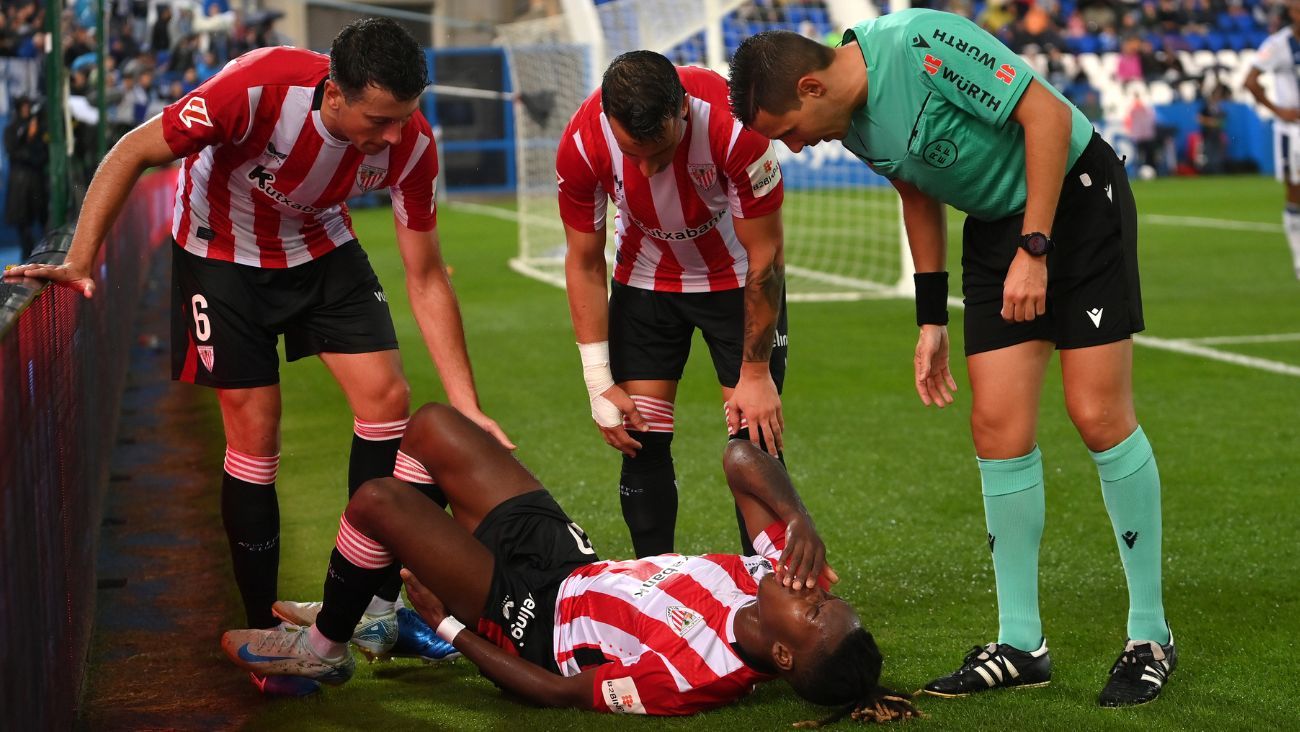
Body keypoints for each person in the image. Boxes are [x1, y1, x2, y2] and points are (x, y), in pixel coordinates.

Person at [5, 17, 511, 692]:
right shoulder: (254, 88)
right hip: (220, 255)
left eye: (404, 118)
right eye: (380, 120)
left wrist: (466, 403)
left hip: (320, 247)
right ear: (334, 94)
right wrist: (78, 258)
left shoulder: (412, 142)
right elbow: (132, 149)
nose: (395, 136)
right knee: (255, 431)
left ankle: (374, 611)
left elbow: (425, 275)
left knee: (389, 401)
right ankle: (265, 636)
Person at [728, 9, 1174, 708]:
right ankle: (1021, 644)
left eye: (788, 131)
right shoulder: (851, 123)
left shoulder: (921, 43)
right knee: (996, 429)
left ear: (812, 88)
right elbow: (916, 191)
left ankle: (1150, 635)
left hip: (1076, 202)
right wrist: (931, 319)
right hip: (995, 228)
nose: (797, 147)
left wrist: (1035, 248)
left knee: (1096, 415)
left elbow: (1048, 117)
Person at [221, 403, 921, 724]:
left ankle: (324, 650)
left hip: (532, 622)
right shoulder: (773, 576)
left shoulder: (693, 677)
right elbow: (740, 456)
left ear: (785, 655)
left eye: (817, 611)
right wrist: (799, 519)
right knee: (432, 425)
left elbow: (555, 695)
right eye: (828, 598)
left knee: (378, 501)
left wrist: (452, 627)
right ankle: (374, 615)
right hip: (569, 559)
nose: (814, 591)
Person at [558, 50, 789, 559]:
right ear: (608, 120)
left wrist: (755, 371)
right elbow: (584, 262)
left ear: (683, 107)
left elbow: (766, 256)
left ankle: (770, 581)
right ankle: (655, 580)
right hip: (645, 284)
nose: (646, 169)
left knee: (755, 441)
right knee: (641, 440)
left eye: (659, 150)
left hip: (737, 282)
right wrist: (597, 379)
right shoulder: (582, 142)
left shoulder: (737, 127)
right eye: (632, 154)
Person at [1244, 0, 1300, 280]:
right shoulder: (1279, 44)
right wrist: (1278, 110)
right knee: (1295, 190)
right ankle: (1299, 256)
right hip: (1293, 131)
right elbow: (1250, 81)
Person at [3, 97, 47, 260]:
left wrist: (34, 137)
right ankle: (26, 253)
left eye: (28, 106)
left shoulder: (39, 128)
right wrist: (28, 136)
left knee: (41, 218)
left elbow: (42, 154)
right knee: (23, 221)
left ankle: (42, 254)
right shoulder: (11, 129)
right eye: (24, 107)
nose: (26, 110)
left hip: (35, 180)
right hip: (20, 183)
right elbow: (13, 151)